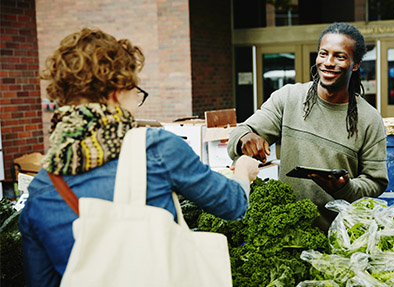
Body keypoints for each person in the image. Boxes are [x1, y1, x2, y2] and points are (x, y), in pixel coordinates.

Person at [18, 28, 260, 287]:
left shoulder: (42, 187)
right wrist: (243, 171)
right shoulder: (155, 148)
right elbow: (232, 205)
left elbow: (41, 281)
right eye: (136, 91)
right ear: (116, 92)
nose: (137, 101)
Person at [228, 22, 388, 232]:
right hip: (287, 233)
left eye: (339, 56)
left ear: (355, 64)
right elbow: (239, 134)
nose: (328, 63)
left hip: (339, 237)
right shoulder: (288, 98)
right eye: (323, 54)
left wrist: (345, 188)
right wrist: (245, 138)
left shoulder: (369, 119)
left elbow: (375, 182)